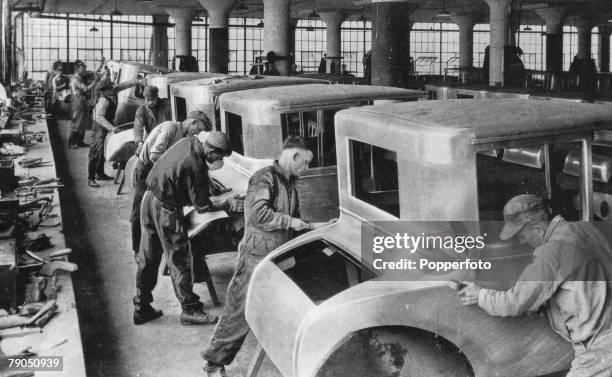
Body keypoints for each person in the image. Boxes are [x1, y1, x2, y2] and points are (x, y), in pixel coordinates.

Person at [202, 136, 332, 377]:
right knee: (239, 311)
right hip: (255, 255)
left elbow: (294, 221)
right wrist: (293, 222)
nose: (307, 169)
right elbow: (258, 214)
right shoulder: (265, 178)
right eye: (305, 162)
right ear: (294, 156)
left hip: (276, 256)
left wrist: (318, 226)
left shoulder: (289, 182)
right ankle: (213, 361)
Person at [457, 194, 612, 377]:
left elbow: (515, 302)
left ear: (538, 228)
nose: (522, 242)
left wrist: (480, 295)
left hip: (598, 352)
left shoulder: (551, 253)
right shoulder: (586, 229)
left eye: (521, 235)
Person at [134, 131, 239, 326]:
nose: (219, 161)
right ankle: (189, 310)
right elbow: (203, 207)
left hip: (149, 200)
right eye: (220, 157)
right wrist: (227, 204)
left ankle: (141, 307)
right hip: (166, 209)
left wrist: (209, 185)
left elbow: (187, 172)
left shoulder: (190, 142)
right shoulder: (196, 165)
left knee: (148, 255)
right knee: (180, 257)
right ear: (212, 151)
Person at [130, 111, 212, 261]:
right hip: (146, 169)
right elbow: (154, 155)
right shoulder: (170, 129)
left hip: (161, 173)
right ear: (192, 122)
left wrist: (209, 183)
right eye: (198, 130)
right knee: (140, 211)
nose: (198, 133)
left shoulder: (186, 138)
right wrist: (169, 174)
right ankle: (137, 250)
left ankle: (164, 248)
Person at [88, 68, 141, 188]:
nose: (113, 88)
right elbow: (99, 118)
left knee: (102, 151)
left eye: (112, 86)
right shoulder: (103, 100)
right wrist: (112, 128)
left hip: (106, 124)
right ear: (104, 91)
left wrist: (137, 81)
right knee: (95, 151)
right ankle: (90, 178)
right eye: (110, 88)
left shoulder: (112, 91)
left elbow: (123, 85)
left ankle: (99, 173)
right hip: (100, 126)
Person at [133, 85, 172, 156]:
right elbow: (137, 127)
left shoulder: (167, 105)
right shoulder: (142, 110)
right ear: (145, 99)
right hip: (152, 140)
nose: (150, 102)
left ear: (157, 97)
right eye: (148, 100)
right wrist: (140, 143)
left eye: (153, 99)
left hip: (168, 139)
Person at [69, 60, 98, 148]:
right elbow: (85, 89)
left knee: (83, 122)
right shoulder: (75, 79)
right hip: (79, 101)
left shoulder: (79, 77)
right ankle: (72, 143)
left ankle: (80, 141)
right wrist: (95, 81)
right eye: (83, 68)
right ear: (77, 69)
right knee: (78, 123)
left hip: (82, 100)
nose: (84, 70)